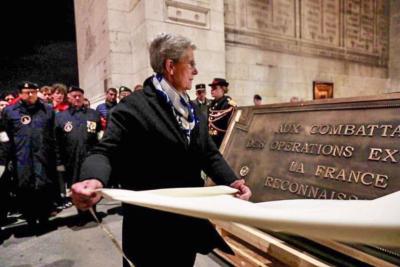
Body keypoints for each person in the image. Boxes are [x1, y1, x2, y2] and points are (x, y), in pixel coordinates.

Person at [71, 33, 251, 267]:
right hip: (150, 232)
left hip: (187, 225)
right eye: (191, 64)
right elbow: (105, 151)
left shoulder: (194, 107)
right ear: (170, 66)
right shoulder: (133, 107)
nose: (196, 72)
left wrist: (232, 181)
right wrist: (92, 179)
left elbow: (208, 153)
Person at [2, 81, 58, 229]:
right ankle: (30, 218)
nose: (30, 94)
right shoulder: (10, 111)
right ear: (20, 94)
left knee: (43, 185)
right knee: (25, 186)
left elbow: (53, 135)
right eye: (26, 92)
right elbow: (7, 135)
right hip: (21, 156)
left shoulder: (47, 110)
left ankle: (45, 218)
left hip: (42, 155)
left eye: (33, 91)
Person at [55, 86, 101, 211]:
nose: (77, 98)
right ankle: (81, 213)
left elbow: (99, 136)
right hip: (71, 159)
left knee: (91, 186)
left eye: (79, 96)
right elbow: (57, 142)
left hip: (90, 157)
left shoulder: (94, 114)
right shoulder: (60, 117)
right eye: (74, 96)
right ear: (68, 98)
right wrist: (59, 163)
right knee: (76, 187)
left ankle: (94, 210)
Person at [208, 78, 237, 148]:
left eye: (215, 88)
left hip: (221, 140)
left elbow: (230, 126)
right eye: (211, 88)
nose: (212, 90)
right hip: (211, 139)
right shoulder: (211, 103)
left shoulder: (228, 104)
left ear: (222, 89)